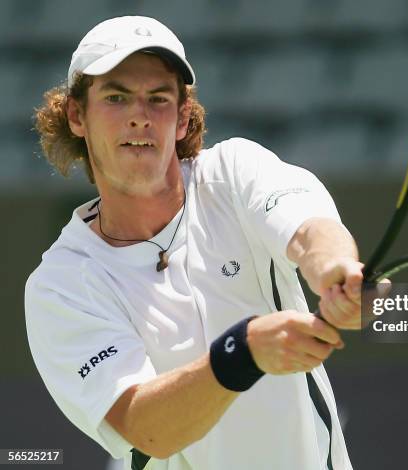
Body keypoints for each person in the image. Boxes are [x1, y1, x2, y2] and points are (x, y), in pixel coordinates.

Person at [25, 16, 364, 470]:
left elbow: (309, 231)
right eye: (116, 96)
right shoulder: (60, 284)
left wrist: (336, 272)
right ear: (76, 116)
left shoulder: (235, 171)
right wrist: (242, 353)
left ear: (183, 118)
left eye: (158, 99)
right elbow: (147, 429)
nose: (139, 115)